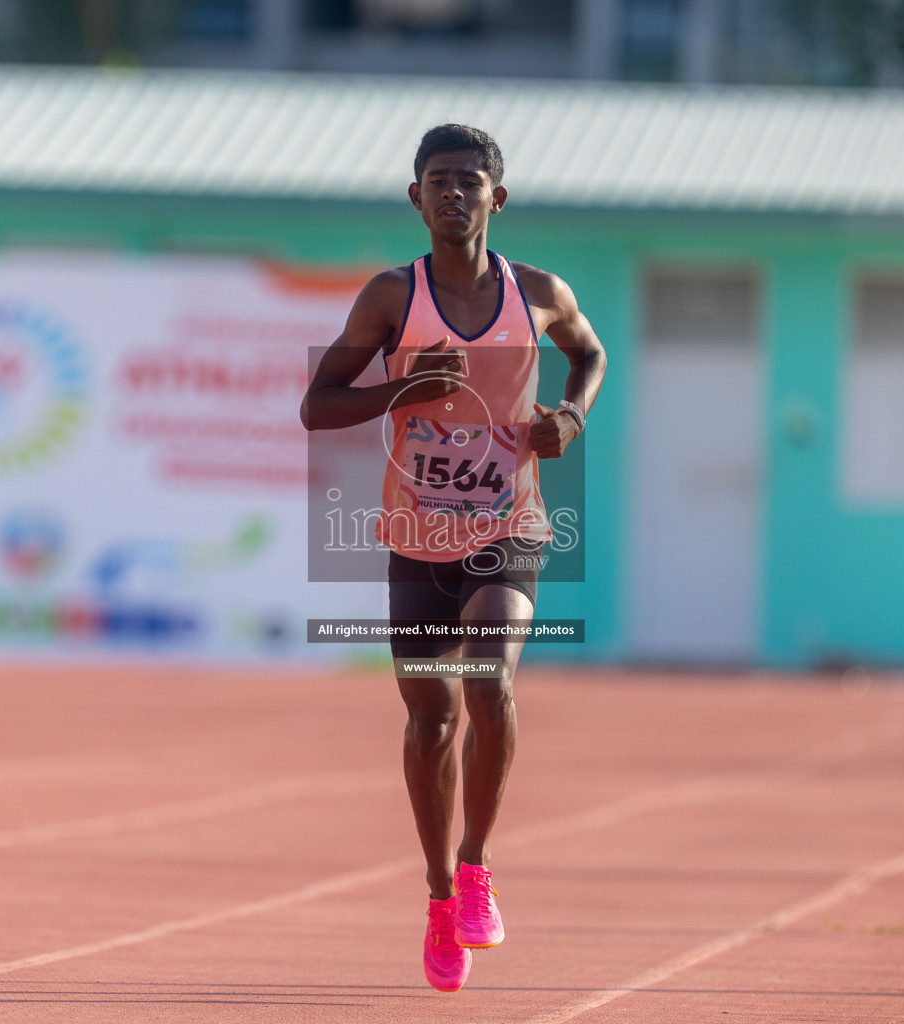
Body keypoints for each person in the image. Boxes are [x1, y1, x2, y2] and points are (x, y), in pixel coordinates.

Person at [300, 124, 607, 992]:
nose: (454, 193)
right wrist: (404, 388)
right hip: (416, 542)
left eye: (470, 181)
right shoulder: (391, 300)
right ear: (416, 198)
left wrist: (569, 421)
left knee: (489, 679)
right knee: (431, 720)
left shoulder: (539, 292)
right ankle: (439, 897)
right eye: (438, 180)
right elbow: (317, 407)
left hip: (508, 531)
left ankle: (476, 867)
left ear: (495, 200)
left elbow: (590, 354)